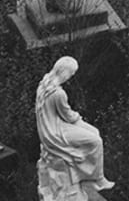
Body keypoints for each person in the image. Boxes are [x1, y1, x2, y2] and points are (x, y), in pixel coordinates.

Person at [34, 55, 114, 198]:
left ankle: (92, 176)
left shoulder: (44, 84)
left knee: (94, 134)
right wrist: (85, 124)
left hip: (48, 128)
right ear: (65, 71)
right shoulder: (58, 94)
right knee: (96, 141)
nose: (71, 77)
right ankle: (96, 178)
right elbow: (69, 116)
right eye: (71, 73)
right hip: (55, 132)